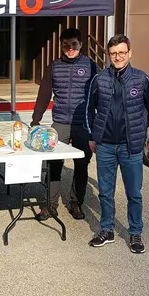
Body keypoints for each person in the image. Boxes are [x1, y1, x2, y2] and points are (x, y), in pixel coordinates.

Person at [84, 34, 149, 254]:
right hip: (105, 146)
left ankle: (135, 232)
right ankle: (106, 229)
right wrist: (92, 136)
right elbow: (89, 110)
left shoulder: (141, 79)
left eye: (121, 52)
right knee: (105, 192)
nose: (117, 57)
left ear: (129, 53)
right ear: (108, 55)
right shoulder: (99, 80)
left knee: (134, 193)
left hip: (131, 146)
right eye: (113, 53)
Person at [31, 27, 97, 221]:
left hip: (83, 123)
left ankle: (76, 203)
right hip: (60, 122)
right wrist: (36, 119)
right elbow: (44, 93)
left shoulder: (91, 66)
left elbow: (99, 94)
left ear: (81, 44)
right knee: (54, 163)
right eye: (66, 45)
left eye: (74, 45)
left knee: (81, 163)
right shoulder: (55, 66)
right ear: (61, 46)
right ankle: (49, 205)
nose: (70, 49)